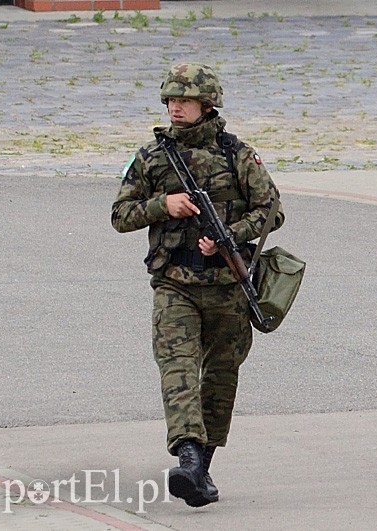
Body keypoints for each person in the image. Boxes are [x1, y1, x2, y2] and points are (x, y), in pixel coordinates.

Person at [111, 63, 283, 506]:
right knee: (178, 370)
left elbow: (271, 211)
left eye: (183, 101)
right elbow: (120, 216)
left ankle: (201, 471)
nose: (175, 108)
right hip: (175, 285)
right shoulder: (151, 157)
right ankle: (187, 456)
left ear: (207, 106)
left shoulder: (238, 155)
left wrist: (233, 235)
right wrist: (162, 205)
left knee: (221, 378)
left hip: (228, 285)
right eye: (170, 100)